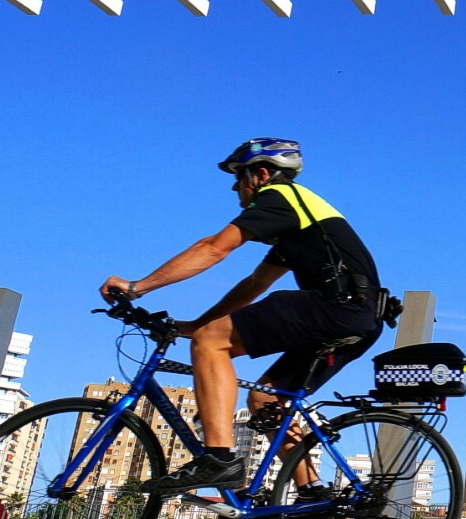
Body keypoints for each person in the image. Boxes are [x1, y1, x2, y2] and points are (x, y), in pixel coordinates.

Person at [100, 138, 386, 496]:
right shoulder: (301, 221)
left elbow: (214, 248)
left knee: (211, 343)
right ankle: (311, 489)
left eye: (239, 177)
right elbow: (253, 285)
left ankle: (218, 458)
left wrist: (137, 287)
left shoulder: (280, 197)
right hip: (359, 319)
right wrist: (198, 325)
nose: (235, 187)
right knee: (265, 401)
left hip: (337, 306)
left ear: (261, 174)